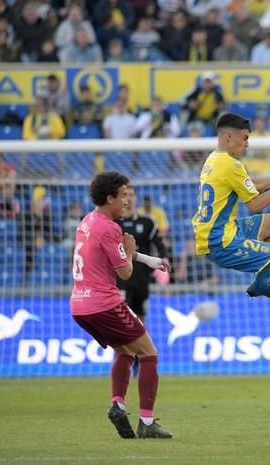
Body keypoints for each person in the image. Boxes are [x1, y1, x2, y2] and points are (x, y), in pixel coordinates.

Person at [192, 112, 270, 343]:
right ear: (229, 136)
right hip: (221, 241)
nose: (247, 144)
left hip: (220, 230)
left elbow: (250, 185)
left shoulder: (214, 160)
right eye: (245, 138)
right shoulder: (230, 164)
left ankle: (261, 282)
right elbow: (255, 205)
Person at [70, 171, 173, 439]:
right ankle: (147, 423)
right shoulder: (110, 227)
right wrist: (129, 253)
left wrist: (150, 260)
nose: (127, 201)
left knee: (125, 351)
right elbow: (125, 272)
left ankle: (118, 405)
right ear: (109, 198)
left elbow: (115, 249)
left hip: (79, 306)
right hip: (104, 303)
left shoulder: (88, 222)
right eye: (123, 196)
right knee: (149, 354)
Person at [116, 186, 168, 325]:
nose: (129, 198)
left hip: (142, 278)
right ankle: (121, 347)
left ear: (136, 198)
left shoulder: (147, 222)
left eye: (131, 195)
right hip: (121, 277)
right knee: (122, 319)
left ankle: (140, 346)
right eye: (125, 195)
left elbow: (159, 244)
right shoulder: (113, 224)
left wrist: (164, 262)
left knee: (140, 317)